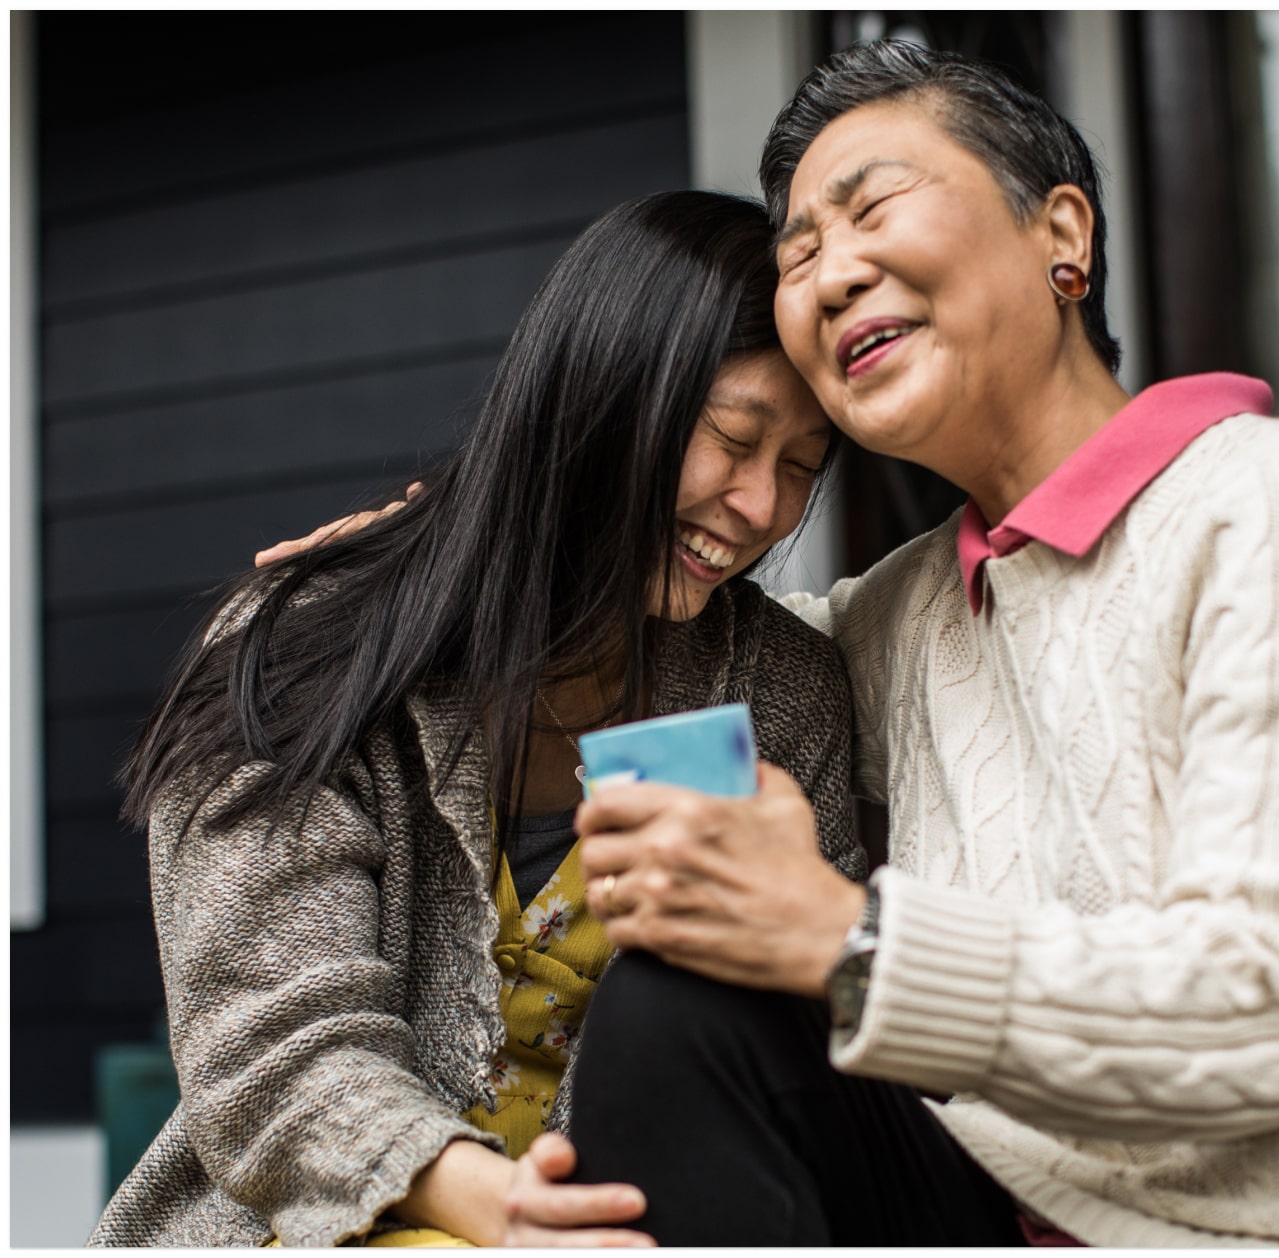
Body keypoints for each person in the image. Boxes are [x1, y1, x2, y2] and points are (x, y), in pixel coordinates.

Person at [257, 41, 1279, 1248]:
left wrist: (846, 938)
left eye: (874, 205)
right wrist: (464, 534)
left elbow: (1271, 1002)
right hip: (1007, 1217)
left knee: (727, 970)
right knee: (689, 996)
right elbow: (641, 592)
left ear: (1061, 233)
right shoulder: (907, 616)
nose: (830, 266)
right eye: (797, 249)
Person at [88, 190, 866, 1248]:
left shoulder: (780, 692)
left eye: (800, 468)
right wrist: (506, 1215)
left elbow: (798, 1041)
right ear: (600, 398)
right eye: (733, 439)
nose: (761, 508)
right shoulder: (309, 647)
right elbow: (272, 1047)